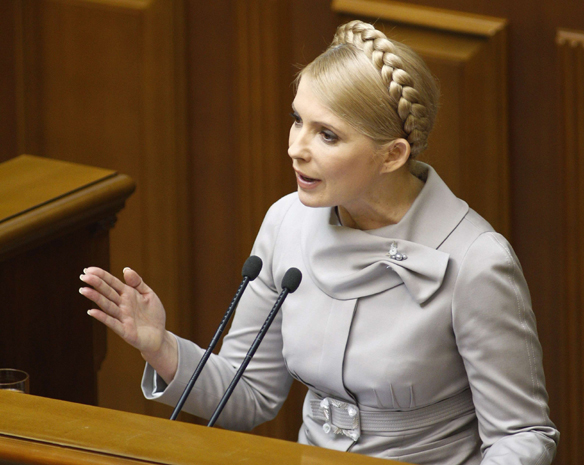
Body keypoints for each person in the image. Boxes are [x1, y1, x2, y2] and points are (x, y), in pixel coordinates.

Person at [80, 20, 559, 465]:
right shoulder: (286, 221)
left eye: (326, 134)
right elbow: (247, 395)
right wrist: (159, 346)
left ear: (392, 155)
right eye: (297, 120)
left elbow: (523, 436)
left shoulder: (477, 262)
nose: (295, 148)